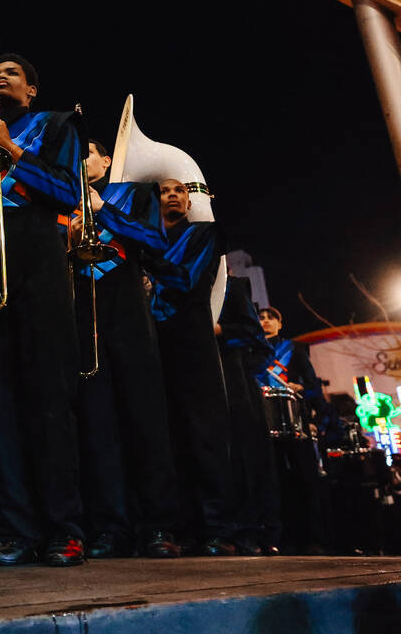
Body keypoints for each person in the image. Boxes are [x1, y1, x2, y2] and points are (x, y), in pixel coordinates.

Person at [0, 54, 85, 567]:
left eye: (12, 73)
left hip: (36, 254)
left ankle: (63, 527)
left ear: (31, 90)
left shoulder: (56, 124)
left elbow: (65, 191)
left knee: (48, 396)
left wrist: (9, 149)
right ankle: (14, 527)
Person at [66, 140, 181, 558]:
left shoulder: (133, 193)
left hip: (127, 307)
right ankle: (110, 526)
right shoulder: (65, 203)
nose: (80, 162)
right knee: (98, 426)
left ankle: (158, 525)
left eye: (87, 154)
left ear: (106, 160)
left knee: (145, 419)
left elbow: (154, 239)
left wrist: (102, 210)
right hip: (85, 311)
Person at [145, 178, 236, 555]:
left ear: (188, 200)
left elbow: (184, 279)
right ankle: (170, 529)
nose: (172, 195)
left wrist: (140, 253)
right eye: (164, 191)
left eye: (179, 191)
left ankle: (218, 529)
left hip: (193, 347)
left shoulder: (206, 234)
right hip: (152, 346)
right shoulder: (145, 237)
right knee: (162, 438)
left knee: (204, 436)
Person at [215, 274, 279, 556]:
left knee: (243, 458)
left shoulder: (232, 284)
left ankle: (250, 531)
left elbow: (256, 338)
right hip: (197, 380)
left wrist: (219, 331)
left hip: (234, 382)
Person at [257, 305, 327, 554]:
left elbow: (312, 384)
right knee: (273, 483)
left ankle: (313, 540)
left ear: (279, 324)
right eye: (261, 318)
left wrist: (302, 389)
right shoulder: (252, 351)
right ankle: (279, 538)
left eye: (270, 318)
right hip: (263, 425)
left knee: (305, 481)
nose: (265, 322)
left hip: (295, 420)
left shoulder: (294, 349)